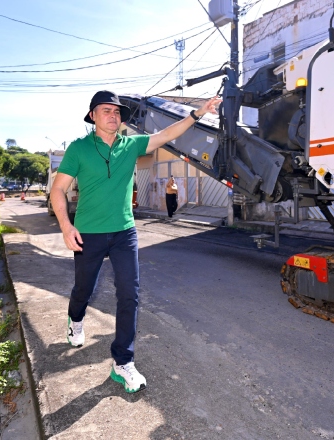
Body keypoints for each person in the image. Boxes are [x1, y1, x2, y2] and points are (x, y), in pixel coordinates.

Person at [51, 91, 221, 393]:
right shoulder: (78, 149)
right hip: (88, 232)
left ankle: (123, 363)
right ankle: (75, 320)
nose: (113, 115)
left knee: (129, 294)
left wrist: (198, 113)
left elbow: (169, 133)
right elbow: (58, 190)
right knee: (83, 289)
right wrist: (66, 226)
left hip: (124, 232)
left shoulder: (131, 145)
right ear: (92, 116)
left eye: (117, 112)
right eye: (106, 110)